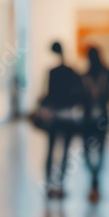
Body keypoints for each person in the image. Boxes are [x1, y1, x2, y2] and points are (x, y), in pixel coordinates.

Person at [39, 41, 84, 199]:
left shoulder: (53, 72)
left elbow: (48, 96)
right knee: (64, 152)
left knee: (51, 150)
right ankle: (60, 184)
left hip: (56, 116)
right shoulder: (72, 72)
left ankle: (49, 183)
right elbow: (79, 96)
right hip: (69, 117)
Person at [81, 47, 109, 203]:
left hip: (94, 119)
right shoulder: (93, 76)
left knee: (92, 151)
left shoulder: (98, 75)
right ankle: (94, 178)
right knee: (95, 151)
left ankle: (94, 180)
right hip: (96, 119)